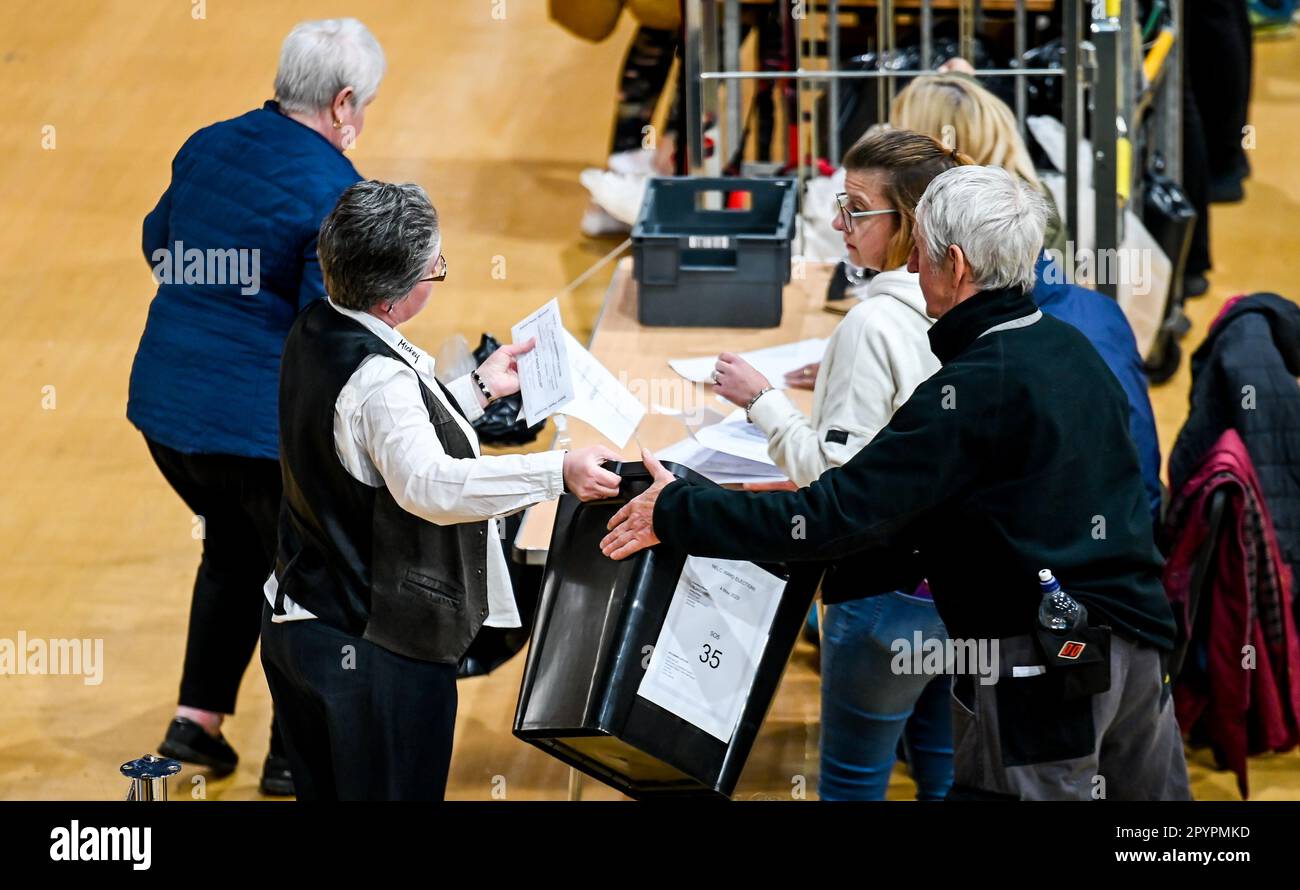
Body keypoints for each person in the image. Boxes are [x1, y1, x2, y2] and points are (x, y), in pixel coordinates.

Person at [602, 166, 1190, 801]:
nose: (914, 272)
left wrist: (679, 510)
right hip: (1139, 649)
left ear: (957, 264)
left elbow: (832, 519)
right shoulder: (1070, 349)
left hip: (1043, 669)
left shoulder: (971, 389)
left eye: (924, 256)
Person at [261, 180, 623, 801]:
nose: (438, 274)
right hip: (375, 650)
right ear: (399, 297)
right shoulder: (380, 380)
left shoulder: (316, 327)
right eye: (437, 267)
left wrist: (478, 389)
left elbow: (376, 447)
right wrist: (555, 472)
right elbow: (428, 484)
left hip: (299, 624)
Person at [127, 18, 383, 795]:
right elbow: (327, 332)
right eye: (365, 105)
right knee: (309, 577)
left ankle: (195, 725)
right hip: (255, 435)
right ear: (342, 105)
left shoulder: (206, 142)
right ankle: (289, 757)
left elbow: (157, 242)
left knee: (234, 552)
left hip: (168, 420)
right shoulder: (337, 190)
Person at [709, 129, 970, 800]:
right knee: (948, 772)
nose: (838, 223)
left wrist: (762, 402)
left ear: (908, 224)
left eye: (856, 209)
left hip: (882, 595)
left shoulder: (872, 326)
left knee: (852, 784)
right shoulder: (973, 303)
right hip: (963, 590)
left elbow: (831, 487)